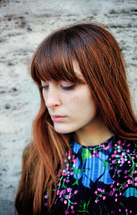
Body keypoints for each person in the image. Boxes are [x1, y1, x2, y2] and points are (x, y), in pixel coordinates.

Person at [15, 23, 137, 215]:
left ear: (105, 84)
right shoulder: (38, 155)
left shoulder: (133, 161)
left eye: (67, 85)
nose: (50, 101)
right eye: (44, 86)